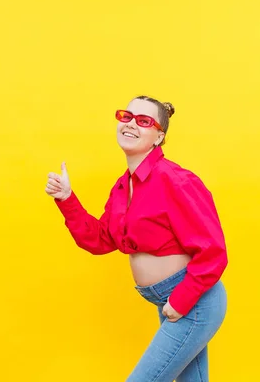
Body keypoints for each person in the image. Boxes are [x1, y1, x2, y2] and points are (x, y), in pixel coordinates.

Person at [45, 95, 228, 382]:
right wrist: (67, 199)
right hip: (171, 300)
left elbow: (213, 251)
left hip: (193, 301)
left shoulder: (176, 180)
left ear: (159, 136)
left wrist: (180, 301)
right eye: (126, 116)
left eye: (144, 121)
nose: (131, 124)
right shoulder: (123, 187)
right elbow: (101, 240)